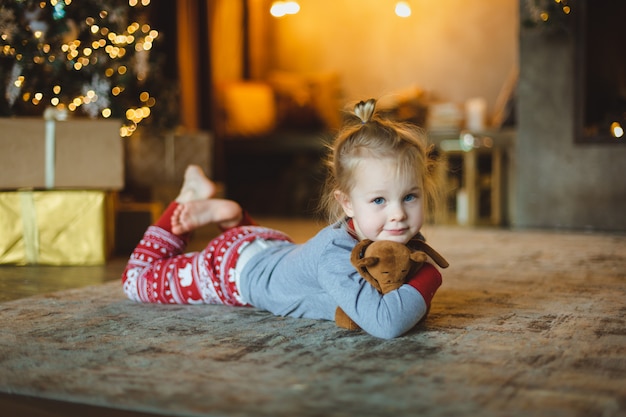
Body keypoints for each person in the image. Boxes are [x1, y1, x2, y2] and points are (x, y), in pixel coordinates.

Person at [121, 98, 445, 339]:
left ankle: (233, 218)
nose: (398, 213)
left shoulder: (395, 235)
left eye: (410, 197)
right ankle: (189, 197)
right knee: (136, 281)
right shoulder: (336, 257)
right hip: (229, 271)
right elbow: (386, 323)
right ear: (347, 203)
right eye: (379, 200)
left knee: (273, 262)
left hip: (269, 248)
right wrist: (430, 275)